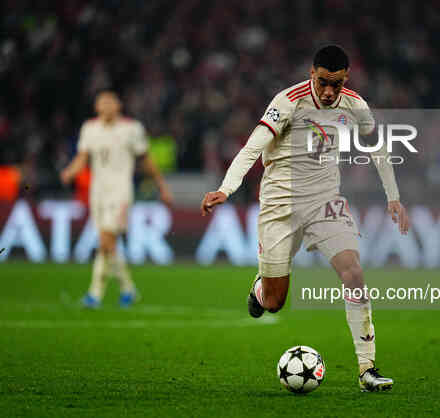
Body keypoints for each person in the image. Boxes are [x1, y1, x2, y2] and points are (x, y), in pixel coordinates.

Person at [201, 45, 410, 392]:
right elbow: (253, 147)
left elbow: (377, 147)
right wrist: (226, 188)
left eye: (337, 84)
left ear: (346, 79)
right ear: (312, 74)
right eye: (324, 82)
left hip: (325, 203)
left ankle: (367, 368)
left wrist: (394, 197)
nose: (329, 92)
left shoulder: (355, 105)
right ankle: (259, 289)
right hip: (279, 207)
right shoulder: (288, 101)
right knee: (274, 301)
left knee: (353, 272)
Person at [60, 91, 173, 308]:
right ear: (96, 107)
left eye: (110, 101)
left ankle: (111, 291)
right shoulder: (89, 128)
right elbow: (82, 157)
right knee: (106, 244)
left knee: (105, 240)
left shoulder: (132, 128)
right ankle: (114, 292)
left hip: (120, 191)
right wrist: (70, 171)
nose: (106, 105)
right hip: (97, 193)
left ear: (119, 105)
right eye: (102, 102)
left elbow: (145, 159)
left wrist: (162, 186)